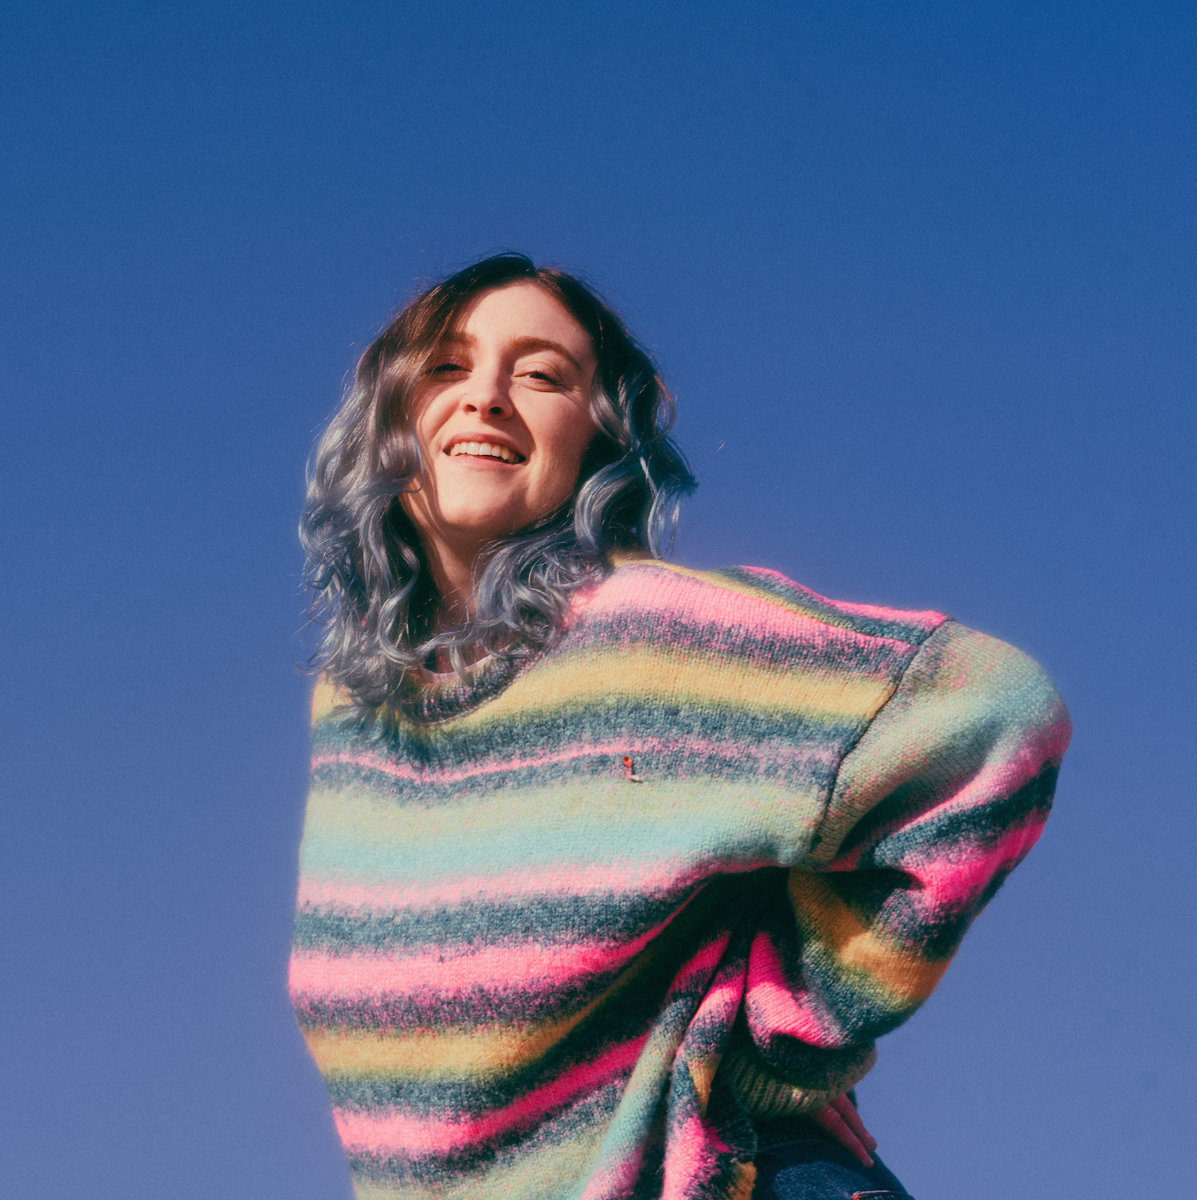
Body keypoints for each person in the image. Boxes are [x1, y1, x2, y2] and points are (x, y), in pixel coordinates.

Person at [291, 253, 1071, 1200]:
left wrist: (777, 1044)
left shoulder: (646, 632)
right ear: (387, 415)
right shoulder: (354, 710)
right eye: (447, 365)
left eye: (541, 376)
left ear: (597, 439)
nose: (486, 396)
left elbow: (997, 710)